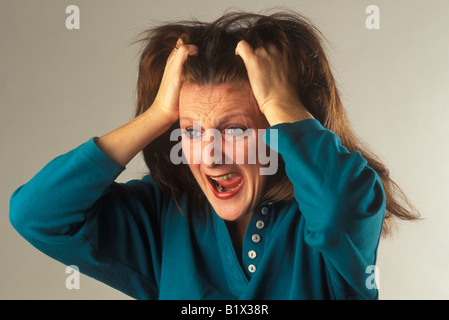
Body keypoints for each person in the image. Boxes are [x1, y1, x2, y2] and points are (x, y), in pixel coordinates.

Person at [9, 11, 419, 300]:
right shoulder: (162, 215)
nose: (210, 157)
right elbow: (37, 214)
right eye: (190, 131)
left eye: (235, 130)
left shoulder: (337, 218)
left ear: (278, 130)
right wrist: (157, 115)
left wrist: (279, 99)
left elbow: (336, 211)